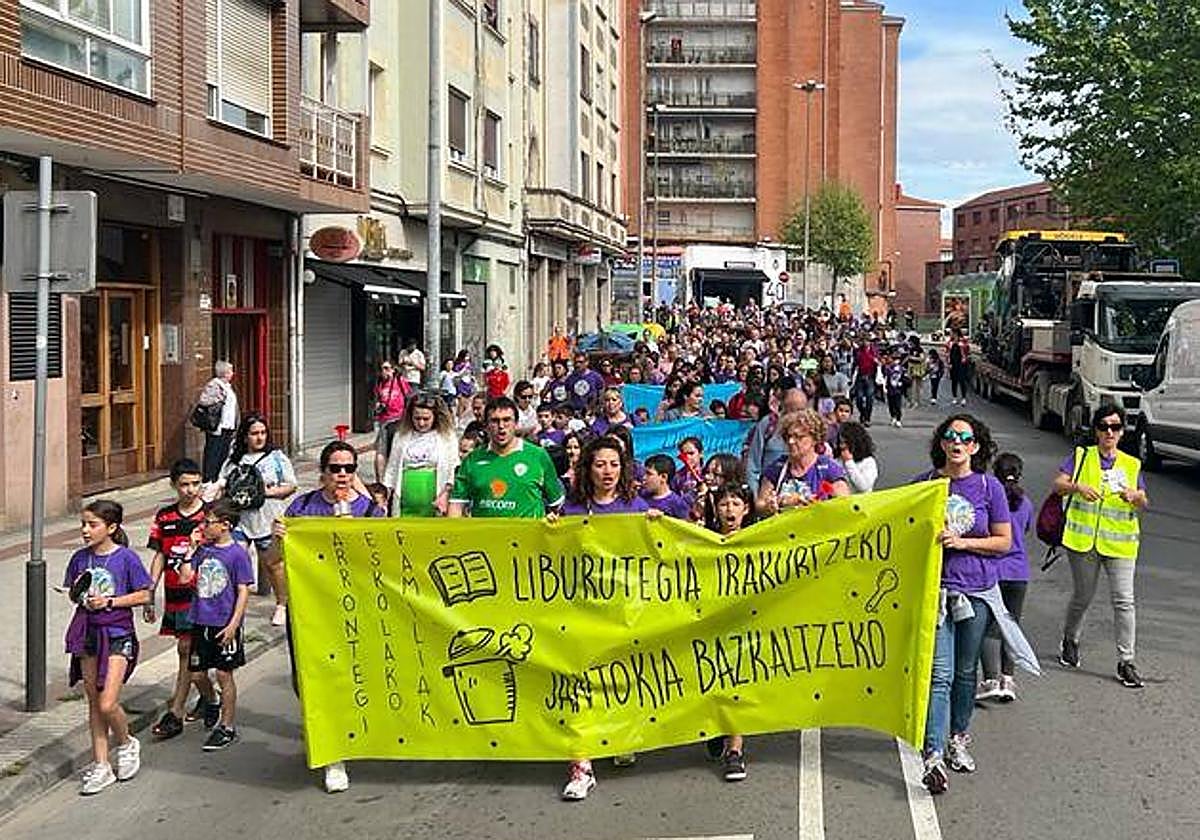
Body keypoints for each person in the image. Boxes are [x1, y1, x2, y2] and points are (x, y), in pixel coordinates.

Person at [270, 440, 386, 793]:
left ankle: (336, 754)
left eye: (349, 469)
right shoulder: (302, 508)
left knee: (345, 678)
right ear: (322, 472)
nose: (342, 476)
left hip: (350, 610)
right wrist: (278, 540)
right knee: (305, 679)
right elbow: (273, 561)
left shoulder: (370, 512)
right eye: (335, 468)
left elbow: (382, 564)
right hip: (308, 612)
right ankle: (320, 728)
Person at [558, 436, 662, 800]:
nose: (607, 472)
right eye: (600, 464)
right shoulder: (571, 512)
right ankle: (581, 767)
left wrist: (656, 526)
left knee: (621, 680)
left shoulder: (636, 508)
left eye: (614, 464)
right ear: (587, 468)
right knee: (580, 689)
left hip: (624, 613)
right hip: (582, 614)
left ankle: (620, 736)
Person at [917, 414, 1013, 794]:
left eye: (965, 438)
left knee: (964, 672)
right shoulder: (925, 485)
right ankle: (934, 753)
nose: (957, 443)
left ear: (975, 446)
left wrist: (964, 543)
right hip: (936, 593)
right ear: (942, 443)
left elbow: (1003, 541)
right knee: (939, 674)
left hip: (975, 593)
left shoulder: (989, 488)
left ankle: (959, 737)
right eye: (951, 436)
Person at [1054, 404, 1149, 688]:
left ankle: (1126, 662)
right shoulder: (1082, 457)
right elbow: (1058, 484)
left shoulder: (1131, 464)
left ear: (1122, 432)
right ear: (1096, 430)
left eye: (1116, 427)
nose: (1110, 432)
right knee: (1083, 597)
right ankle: (1070, 640)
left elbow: (1145, 500)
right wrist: (1078, 487)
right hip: (1084, 543)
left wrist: (1135, 496)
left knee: (1124, 601)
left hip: (1120, 545)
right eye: (1105, 426)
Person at [64, 500, 153, 795]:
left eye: (92, 524)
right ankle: (100, 764)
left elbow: (144, 594)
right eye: (83, 524)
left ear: (111, 528)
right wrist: (78, 597)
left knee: (107, 702)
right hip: (88, 633)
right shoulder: (79, 558)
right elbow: (72, 592)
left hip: (118, 633)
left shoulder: (126, 558)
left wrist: (110, 601)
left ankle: (127, 743)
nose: (85, 530)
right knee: (93, 701)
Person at [145, 459, 220, 741]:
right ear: (174, 485)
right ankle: (209, 697)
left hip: (203, 595)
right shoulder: (164, 517)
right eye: (184, 485)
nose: (190, 490)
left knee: (187, 649)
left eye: (195, 484)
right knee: (188, 651)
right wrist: (149, 591)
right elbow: (159, 555)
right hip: (175, 594)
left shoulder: (210, 517)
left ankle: (177, 709)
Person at [177, 499, 253, 752]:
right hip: (201, 620)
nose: (203, 526)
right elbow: (185, 577)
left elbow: (243, 591)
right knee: (198, 674)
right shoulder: (203, 550)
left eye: (208, 522)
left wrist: (234, 624)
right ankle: (211, 701)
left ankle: (227, 726)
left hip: (224, 622)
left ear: (225, 525)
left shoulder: (237, 554)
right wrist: (191, 549)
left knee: (223, 673)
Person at [216, 412, 296, 627]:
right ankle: (232, 604)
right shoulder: (234, 459)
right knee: (235, 559)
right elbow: (223, 483)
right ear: (245, 436)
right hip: (239, 519)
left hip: (268, 518)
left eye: (262, 433)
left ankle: (282, 603)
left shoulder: (277, 457)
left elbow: (291, 485)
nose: (259, 438)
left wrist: (263, 493)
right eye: (254, 433)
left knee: (273, 564)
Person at [702, 481, 758, 781]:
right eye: (723, 504)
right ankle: (714, 727)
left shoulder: (761, 538)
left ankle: (735, 749)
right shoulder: (703, 538)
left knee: (737, 683)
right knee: (712, 678)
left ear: (746, 509)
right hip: (711, 622)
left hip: (745, 624)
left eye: (736, 504)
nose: (729, 510)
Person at [976, 452, 1034, 702]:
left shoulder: (990, 499)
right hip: (1019, 572)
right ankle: (1008, 680)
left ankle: (990, 679)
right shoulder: (1026, 503)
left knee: (988, 628)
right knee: (1011, 625)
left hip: (994, 570)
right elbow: (1026, 529)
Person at [449, 396, 566, 519]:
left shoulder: (538, 456)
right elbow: (456, 504)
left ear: (516, 423)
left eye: (506, 420)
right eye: (494, 421)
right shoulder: (472, 459)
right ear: (486, 425)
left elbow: (555, 504)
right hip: (487, 536)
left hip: (527, 537)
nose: (501, 426)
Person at [757, 410, 850, 514]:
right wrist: (774, 504)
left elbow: (844, 501)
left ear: (815, 439)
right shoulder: (776, 468)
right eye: (788, 436)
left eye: (798, 437)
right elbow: (760, 503)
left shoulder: (828, 467)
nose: (791, 441)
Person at [382, 391, 460, 517]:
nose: (421, 423)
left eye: (426, 419)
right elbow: (392, 468)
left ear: (435, 417)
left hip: (435, 501)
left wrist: (446, 494)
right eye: (417, 418)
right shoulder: (401, 435)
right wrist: (384, 496)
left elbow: (454, 468)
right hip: (404, 503)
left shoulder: (447, 436)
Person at [745, 381, 807, 494]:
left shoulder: (811, 430)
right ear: (783, 407)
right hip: (768, 495)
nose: (797, 416)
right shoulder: (768, 424)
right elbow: (753, 465)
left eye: (801, 410)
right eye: (792, 410)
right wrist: (755, 498)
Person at [372, 359, 411, 482]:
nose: (384, 372)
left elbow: (408, 397)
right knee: (381, 451)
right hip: (384, 420)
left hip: (399, 419)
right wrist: (378, 405)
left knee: (397, 449)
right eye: (382, 369)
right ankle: (380, 480)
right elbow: (377, 398)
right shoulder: (379, 383)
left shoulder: (400, 381)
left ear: (393, 370)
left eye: (387, 368)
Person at [199, 360, 238, 482]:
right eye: (230, 371)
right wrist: (218, 398)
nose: (232, 373)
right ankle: (208, 478)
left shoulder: (227, 386)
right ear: (224, 373)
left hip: (228, 426)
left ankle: (217, 478)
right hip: (217, 426)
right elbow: (204, 401)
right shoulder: (214, 385)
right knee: (213, 452)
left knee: (223, 453)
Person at [641, 454, 691, 520]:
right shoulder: (641, 497)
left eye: (649, 474)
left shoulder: (677, 504)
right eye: (644, 473)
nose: (644, 477)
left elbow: (686, 526)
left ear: (663, 477)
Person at [836, 421, 878, 493]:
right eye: (840, 442)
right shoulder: (837, 459)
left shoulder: (868, 462)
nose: (841, 446)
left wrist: (849, 462)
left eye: (845, 442)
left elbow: (863, 487)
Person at [851, 338, 878, 426]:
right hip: (860, 376)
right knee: (859, 398)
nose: (865, 343)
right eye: (864, 341)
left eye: (867, 341)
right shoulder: (858, 351)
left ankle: (867, 418)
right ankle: (862, 413)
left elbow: (879, 363)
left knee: (869, 398)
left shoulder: (874, 351)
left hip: (870, 377)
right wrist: (852, 377)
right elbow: (855, 364)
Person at [947, 329, 971, 406]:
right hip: (953, 364)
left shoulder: (963, 342)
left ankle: (963, 398)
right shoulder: (949, 343)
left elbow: (967, 351)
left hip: (962, 364)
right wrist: (949, 363)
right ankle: (955, 397)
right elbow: (947, 353)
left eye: (951, 333)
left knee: (962, 380)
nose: (950, 335)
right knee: (954, 381)